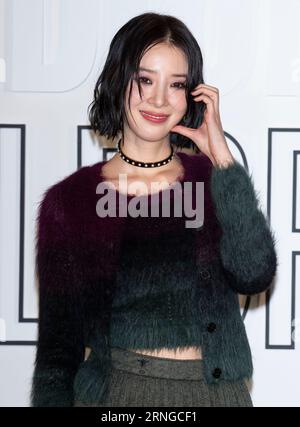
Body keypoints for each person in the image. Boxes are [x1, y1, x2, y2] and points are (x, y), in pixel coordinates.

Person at [30, 12, 278, 407]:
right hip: (123, 396)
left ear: (192, 94)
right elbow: (58, 354)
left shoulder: (211, 178)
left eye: (176, 84)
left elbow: (254, 273)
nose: (159, 99)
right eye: (145, 79)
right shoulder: (70, 202)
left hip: (218, 394)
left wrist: (223, 159)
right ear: (118, 79)